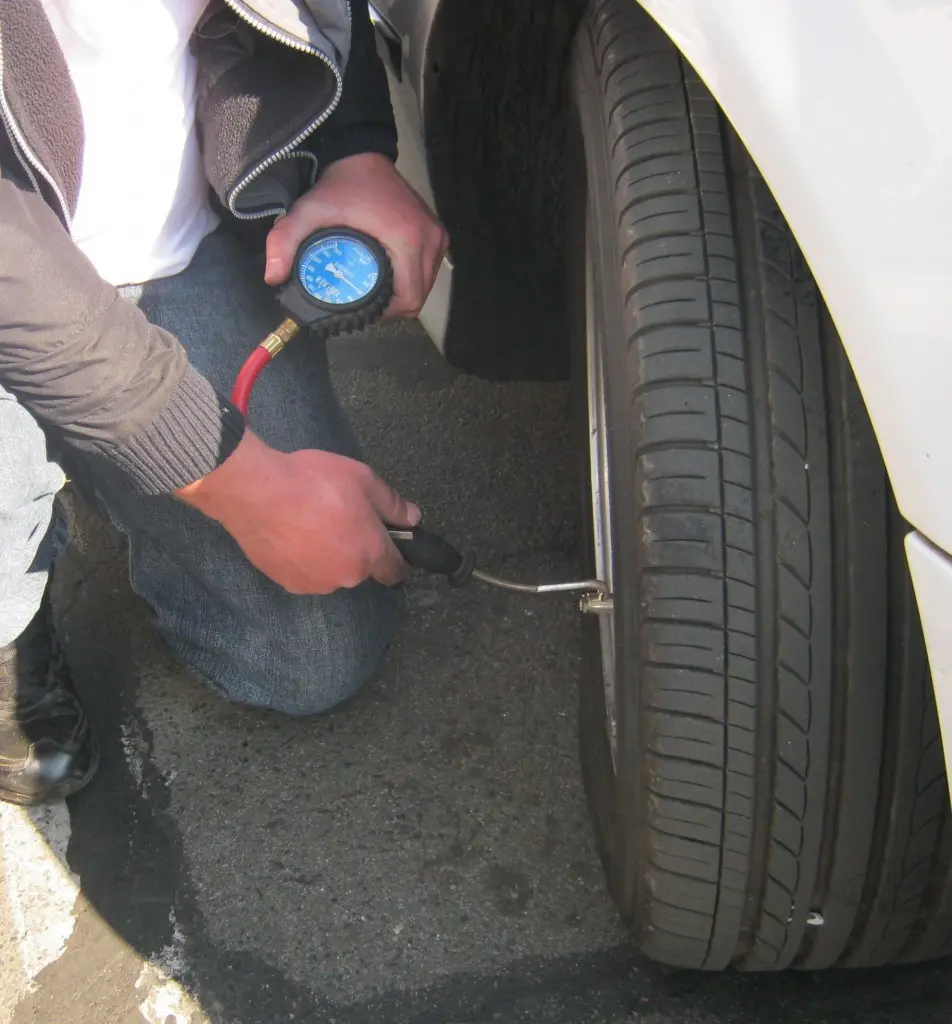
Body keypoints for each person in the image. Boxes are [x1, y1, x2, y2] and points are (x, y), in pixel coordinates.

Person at [0, 0, 449, 805]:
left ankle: (102, 464)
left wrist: (352, 148)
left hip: (181, 247)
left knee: (312, 653)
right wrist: (239, 482)